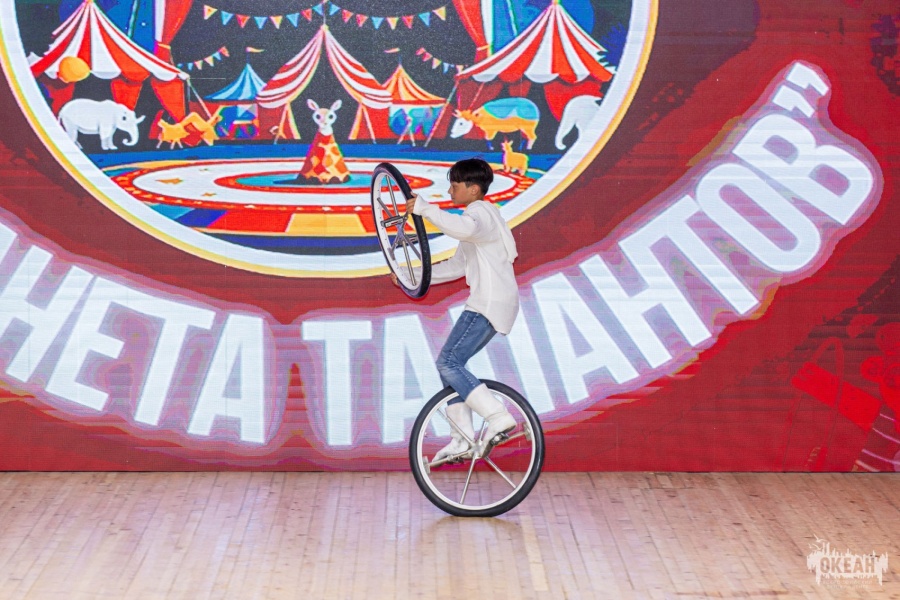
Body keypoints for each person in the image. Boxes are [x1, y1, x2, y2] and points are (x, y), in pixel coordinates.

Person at [396, 158, 519, 461]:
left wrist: (425, 208)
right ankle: (461, 438)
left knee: (449, 362)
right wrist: (409, 274)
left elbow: (462, 228)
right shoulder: (482, 220)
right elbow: (456, 266)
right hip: (495, 301)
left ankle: (497, 416)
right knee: (450, 364)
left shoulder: (480, 214)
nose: (450, 191)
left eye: (454, 186)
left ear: (473, 189)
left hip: (488, 302)